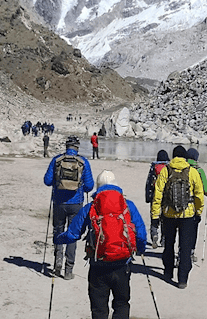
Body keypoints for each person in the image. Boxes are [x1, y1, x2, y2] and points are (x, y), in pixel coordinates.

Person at [55, 170, 147, 319]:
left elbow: (73, 234)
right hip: (122, 264)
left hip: (98, 265)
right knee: (122, 304)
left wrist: (58, 239)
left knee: (99, 309)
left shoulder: (91, 207)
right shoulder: (128, 206)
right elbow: (141, 235)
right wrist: (140, 250)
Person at [151, 145, 205, 288]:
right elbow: (199, 195)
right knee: (185, 247)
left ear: (173, 156)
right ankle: (182, 279)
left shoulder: (165, 171)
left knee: (169, 244)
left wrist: (155, 215)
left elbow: (158, 195)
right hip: (187, 215)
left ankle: (168, 272)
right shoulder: (192, 172)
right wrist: (198, 212)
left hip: (168, 214)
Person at [44, 136, 94, 279]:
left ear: (66, 146)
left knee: (58, 231)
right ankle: (68, 270)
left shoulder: (57, 160)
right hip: (76, 203)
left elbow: (47, 181)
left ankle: (57, 261)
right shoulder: (83, 162)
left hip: (59, 202)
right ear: (77, 147)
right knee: (72, 235)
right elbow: (89, 186)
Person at [185, 147, 207, 265]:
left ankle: (181, 251)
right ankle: (191, 251)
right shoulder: (199, 171)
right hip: (194, 206)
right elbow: (205, 190)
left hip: (180, 205)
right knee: (193, 230)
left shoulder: (181, 168)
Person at [143, 150, 169, 248]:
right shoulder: (168, 168)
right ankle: (163, 239)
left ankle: (154, 235)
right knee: (164, 219)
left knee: (154, 216)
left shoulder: (154, 168)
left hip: (155, 196)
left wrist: (147, 197)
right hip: (166, 198)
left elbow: (148, 183)